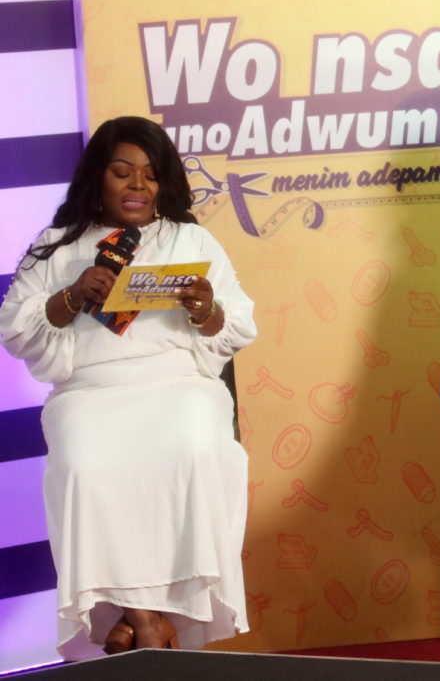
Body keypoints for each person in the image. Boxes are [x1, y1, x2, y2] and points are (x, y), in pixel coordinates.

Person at [0, 116, 257, 657]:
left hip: (179, 383)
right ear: (98, 176)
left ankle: (135, 625)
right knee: (84, 462)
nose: (138, 185)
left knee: (197, 445)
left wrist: (205, 309)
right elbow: (16, 331)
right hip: (90, 391)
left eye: (150, 174)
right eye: (123, 172)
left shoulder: (191, 238)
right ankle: (149, 623)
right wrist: (70, 298)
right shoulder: (55, 246)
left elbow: (234, 326)